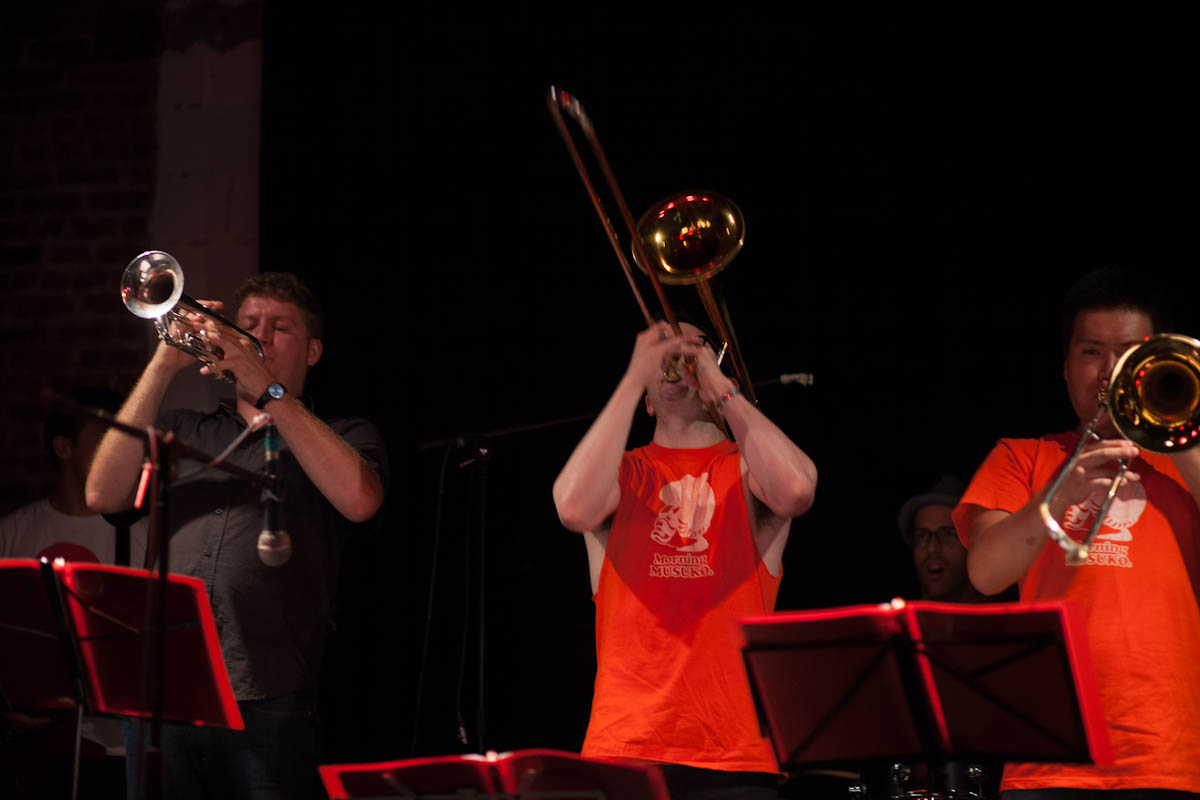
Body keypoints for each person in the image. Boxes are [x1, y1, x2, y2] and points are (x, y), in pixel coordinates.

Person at [85, 272, 387, 800]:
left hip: (268, 694)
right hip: (163, 692)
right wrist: (163, 364)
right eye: (248, 325)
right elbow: (101, 495)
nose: (260, 337)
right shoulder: (182, 428)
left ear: (313, 350)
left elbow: (360, 501)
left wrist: (269, 391)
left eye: (280, 327)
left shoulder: (345, 434)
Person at [953, 267, 1200, 798]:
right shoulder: (1022, 457)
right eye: (1091, 352)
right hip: (1049, 759)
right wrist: (1057, 495)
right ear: (1065, 368)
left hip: (1167, 757)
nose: (1109, 372)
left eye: (1130, 354)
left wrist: (1184, 435)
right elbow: (986, 572)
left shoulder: (1187, 468)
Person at [552, 319, 817, 800]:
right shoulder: (623, 473)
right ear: (649, 400)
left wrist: (722, 390)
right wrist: (633, 379)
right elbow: (572, 507)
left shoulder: (747, 469)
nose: (678, 356)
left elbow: (798, 490)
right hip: (626, 748)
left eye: (693, 347)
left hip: (735, 757)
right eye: (664, 349)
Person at [0, 386, 144, 800]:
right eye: (103, 440)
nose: (117, 453)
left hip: (118, 750)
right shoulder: (12, 534)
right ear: (63, 448)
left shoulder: (142, 537)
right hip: (35, 751)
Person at [897, 475, 982, 603]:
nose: (932, 548)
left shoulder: (999, 620)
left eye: (948, 534)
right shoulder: (899, 621)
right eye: (922, 536)